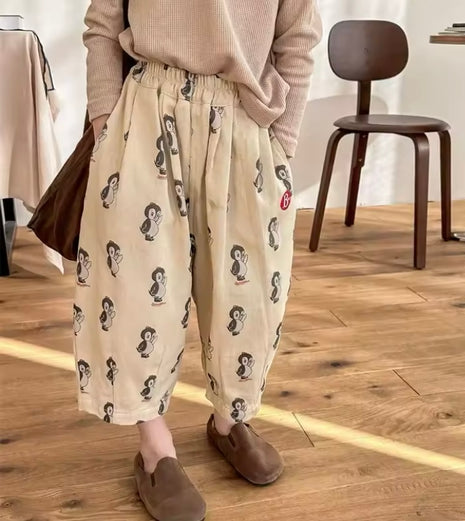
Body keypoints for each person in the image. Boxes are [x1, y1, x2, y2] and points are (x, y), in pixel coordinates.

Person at [76, 1, 322, 519]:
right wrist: (104, 121)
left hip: (244, 117)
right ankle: (153, 445)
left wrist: (283, 143)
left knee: (248, 291)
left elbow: (297, 35)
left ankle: (231, 419)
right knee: (137, 289)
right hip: (146, 112)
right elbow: (103, 22)